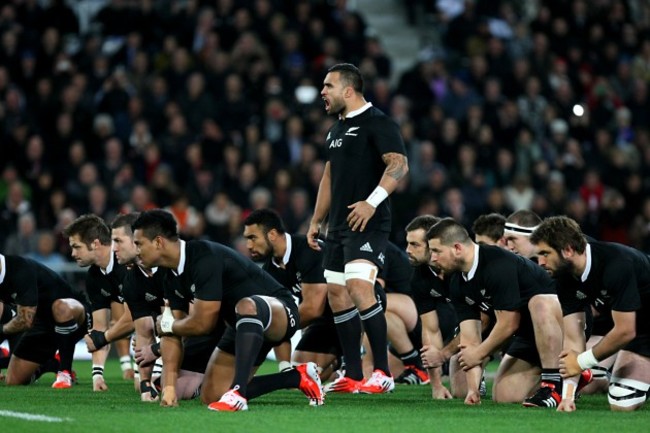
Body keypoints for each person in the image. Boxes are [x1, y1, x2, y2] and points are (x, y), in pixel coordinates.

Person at [132, 209, 324, 411]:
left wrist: (169, 325)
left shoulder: (203, 258)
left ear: (158, 242)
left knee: (246, 305)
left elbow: (203, 323)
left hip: (280, 311)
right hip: (241, 326)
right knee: (212, 395)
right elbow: (171, 333)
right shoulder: (168, 275)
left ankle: (238, 394)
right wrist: (169, 387)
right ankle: (297, 377)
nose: (136, 251)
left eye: (139, 243)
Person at [307, 63, 409, 394]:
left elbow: (399, 164)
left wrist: (372, 202)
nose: (322, 92)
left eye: (328, 86)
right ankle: (352, 372)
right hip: (337, 224)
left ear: (348, 90)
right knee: (337, 293)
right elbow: (329, 177)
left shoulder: (378, 122)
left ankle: (382, 371)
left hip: (368, 221)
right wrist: (316, 220)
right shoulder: (335, 130)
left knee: (358, 286)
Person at [426, 218, 565, 407]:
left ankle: (554, 385)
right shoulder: (457, 281)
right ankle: (568, 377)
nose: (432, 258)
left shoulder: (497, 263)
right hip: (527, 335)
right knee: (504, 395)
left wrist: (478, 354)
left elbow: (509, 323)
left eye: (436, 251)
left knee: (540, 303)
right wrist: (473, 391)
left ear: (457, 248)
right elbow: (470, 339)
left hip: (559, 326)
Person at [530, 216, 650, 411]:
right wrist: (568, 396)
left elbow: (625, 331)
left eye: (545, 253)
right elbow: (572, 337)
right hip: (639, 332)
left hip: (631, 329)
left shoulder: (617, 264)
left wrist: (581, 362)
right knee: (622, 403)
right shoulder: (565, 278)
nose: (540, 262)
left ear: (568, 250)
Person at [243, 208, 338, 379]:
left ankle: (350, 358)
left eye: (252, 238)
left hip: (348, 315)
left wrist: (276, 324)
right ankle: (338, 366)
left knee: (277, 322)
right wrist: (284, 367)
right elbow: (277, 314)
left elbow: (312, 308)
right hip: (322, 322)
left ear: (272, 234)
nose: (248, 245)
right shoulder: (269, 270)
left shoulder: (309, 249)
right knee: (304, 374)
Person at [63, 214, 135, 391]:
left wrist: (103, 338)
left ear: (95, 244)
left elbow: (136, 319)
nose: (73, 253)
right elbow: (99, 328)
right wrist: (97, 376)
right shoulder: (94, 277)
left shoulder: (127, 266)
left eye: (76, 247)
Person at [0, 253, 89, 388]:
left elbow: (25, 320)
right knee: (13, 381)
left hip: (74, 314)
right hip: (42, 324)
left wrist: (2, 330)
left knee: (61, 308)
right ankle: (50, 363)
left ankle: (64, 373)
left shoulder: (19, 268)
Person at [405, 215, 463, 399]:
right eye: (408, 243)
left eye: (415, 245)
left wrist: (445, 354)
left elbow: (483, 319)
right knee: (461, 391)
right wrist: (436, 386)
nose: (407, 250)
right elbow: (430, 330)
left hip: (497, 323)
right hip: (468, 327)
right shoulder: (419, 277)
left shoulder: (462, 268)